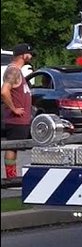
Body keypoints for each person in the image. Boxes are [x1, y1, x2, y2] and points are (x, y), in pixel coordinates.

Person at [2, 43, 35, 180]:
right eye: (29, 53)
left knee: (14, 148)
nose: (31, 56)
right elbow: (4, 91)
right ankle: (11, 177)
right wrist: (13, 108)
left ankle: (12, 176)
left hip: (22, 118)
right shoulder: (13, 71)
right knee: (12, 146)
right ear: (23, 55)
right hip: (15, 118)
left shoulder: (18, 71)